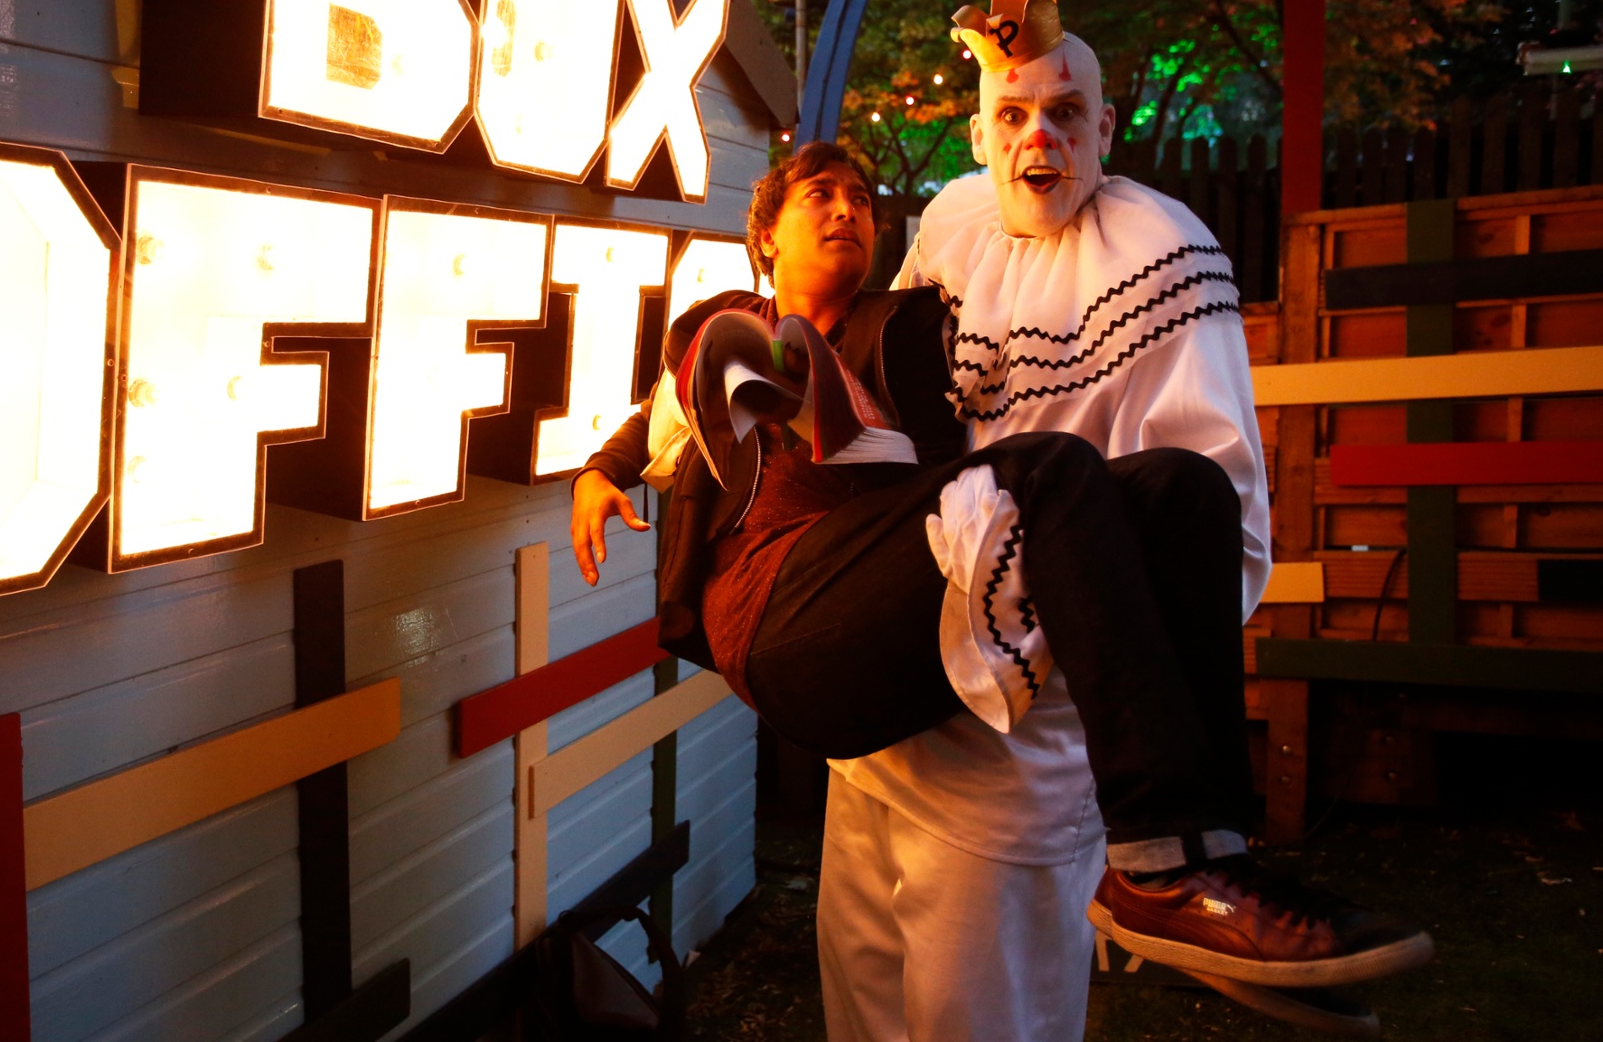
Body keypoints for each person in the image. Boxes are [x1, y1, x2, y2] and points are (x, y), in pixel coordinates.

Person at [570, 92, 1426, 1038]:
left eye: (860, 195)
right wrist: (602, 474)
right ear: (763, 237)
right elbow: (670, 412)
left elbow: (999, 342)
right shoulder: (727, 325)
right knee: (1050, 469)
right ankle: (1159, 862)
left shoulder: (908, 329)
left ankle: (1191, 858)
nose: (847, 206)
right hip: (777, 613)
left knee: (1183, 488)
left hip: (879, 615)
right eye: (819, 194)